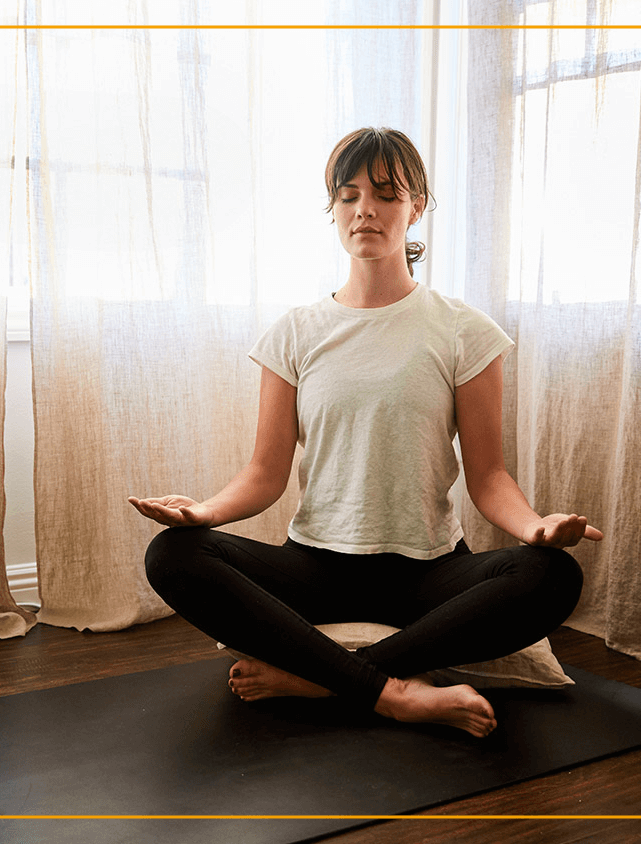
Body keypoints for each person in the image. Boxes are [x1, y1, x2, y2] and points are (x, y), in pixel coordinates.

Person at [129, 127, 601, 738]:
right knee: (171, 555)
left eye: (384, 193)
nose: (365, 211)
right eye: (348, 196)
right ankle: (391, 691)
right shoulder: (296, 332)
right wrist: (204, 512)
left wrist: (534, 528)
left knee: (554, 574)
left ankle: (327, 678)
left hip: (427, 572)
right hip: (316, 570)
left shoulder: (464, 330)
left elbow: (488, 477)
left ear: (416, 206)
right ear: (334, 211)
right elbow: (264, 474)